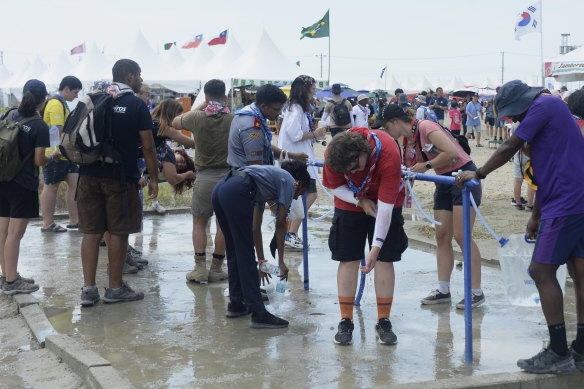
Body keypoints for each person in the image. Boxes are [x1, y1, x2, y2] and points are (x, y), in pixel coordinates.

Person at [457, 80, 584, 374]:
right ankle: (580, 350)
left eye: (514, 115)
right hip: (571, 201)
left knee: (540, 271)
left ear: (524, 102)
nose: (514, 121)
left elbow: (509, 145)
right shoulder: (553, 113)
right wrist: (536, 215)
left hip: (565, 204)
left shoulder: (544, 104)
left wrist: (478, 172)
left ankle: (558, 352)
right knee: (579, 273)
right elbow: (546, 172)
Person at [372, 104, 484, 310]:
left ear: (397, 121)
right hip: (443, 181)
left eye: (387, 127)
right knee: (441, 236)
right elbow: (410, 170)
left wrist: (428, 166)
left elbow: (450, 152)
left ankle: (476, 292)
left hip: (464, 178)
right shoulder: (407, 140)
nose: (386, 132)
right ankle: (443, 290)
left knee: (462, 236)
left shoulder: (425, 127)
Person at [78, 59, 158, 307]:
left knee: (91, 233)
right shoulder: (136, 104)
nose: (142, 80)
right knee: (118, 232)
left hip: (87, 176)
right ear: (131, 77)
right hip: (120, 180)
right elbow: (148, 146)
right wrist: (154, 178)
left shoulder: (94, 100)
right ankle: (115, 288)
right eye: (140, 75)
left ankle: (89, 290)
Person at [322, 127, 408, 346]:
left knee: (385, 259)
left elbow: (386, 210)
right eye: (346, 170)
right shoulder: (334, 152)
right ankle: (345, 320)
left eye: (354, 168)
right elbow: (334, 186)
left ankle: (383, 320)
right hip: (349, 203)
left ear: (364, 153)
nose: (350, 173)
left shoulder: (388, 153)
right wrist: (358, 200)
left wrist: (376, 247)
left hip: (386, 202)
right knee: (348, 257)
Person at [212, 160, 310, 328]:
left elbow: (255, 228)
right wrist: (280, 262)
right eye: (299, 194)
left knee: (235, 249)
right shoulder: (289, 182)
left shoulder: (265, 181)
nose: (296, 197)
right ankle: (258, 312)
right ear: (299, 184)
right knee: (245, 251)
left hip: (221, 189)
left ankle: (236, 303)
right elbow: (280, 224)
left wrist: (262, 262)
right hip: (236, 191)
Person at [172, 79, 234, 283]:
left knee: (199, 223)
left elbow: (175, 122)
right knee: (222, 224)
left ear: (206, 97)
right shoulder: (233, 118)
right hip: (228, 177)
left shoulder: (197, 117)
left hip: (205, 176)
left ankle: (199, 269)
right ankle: (217, 268)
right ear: (225, 97)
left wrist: (202, 106)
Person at [1, 80, 59, 294]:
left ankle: (7, 275)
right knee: (15, 234)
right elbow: (38, 160)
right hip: (23, 184)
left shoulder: (9, 115)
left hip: (2, 180)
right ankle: (11, 282)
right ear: (43, 99)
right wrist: (53, 157)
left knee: (3, 232)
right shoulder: (38, 125)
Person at [277, 75, 327, 249]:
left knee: (296, 196)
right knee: (308, 194)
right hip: (296, 160)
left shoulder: (295, 108)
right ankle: (291, 234)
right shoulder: (296, 109)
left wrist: (314, 136)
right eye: (312, 90)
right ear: (304, 90)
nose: (314, 93)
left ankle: (288, 233)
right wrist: (314, 134)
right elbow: (295, 134)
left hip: (298, 157)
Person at [40, 76, 82, 232]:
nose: (76, 96)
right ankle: (47, 223)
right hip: (56, 154)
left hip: (66, 153)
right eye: (75, 92)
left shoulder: (61, 103)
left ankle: (74, 221)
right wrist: (56, 150)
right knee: (51, 187)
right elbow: (56, 130)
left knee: (75, 184)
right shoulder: (55, 104)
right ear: (66, 89)